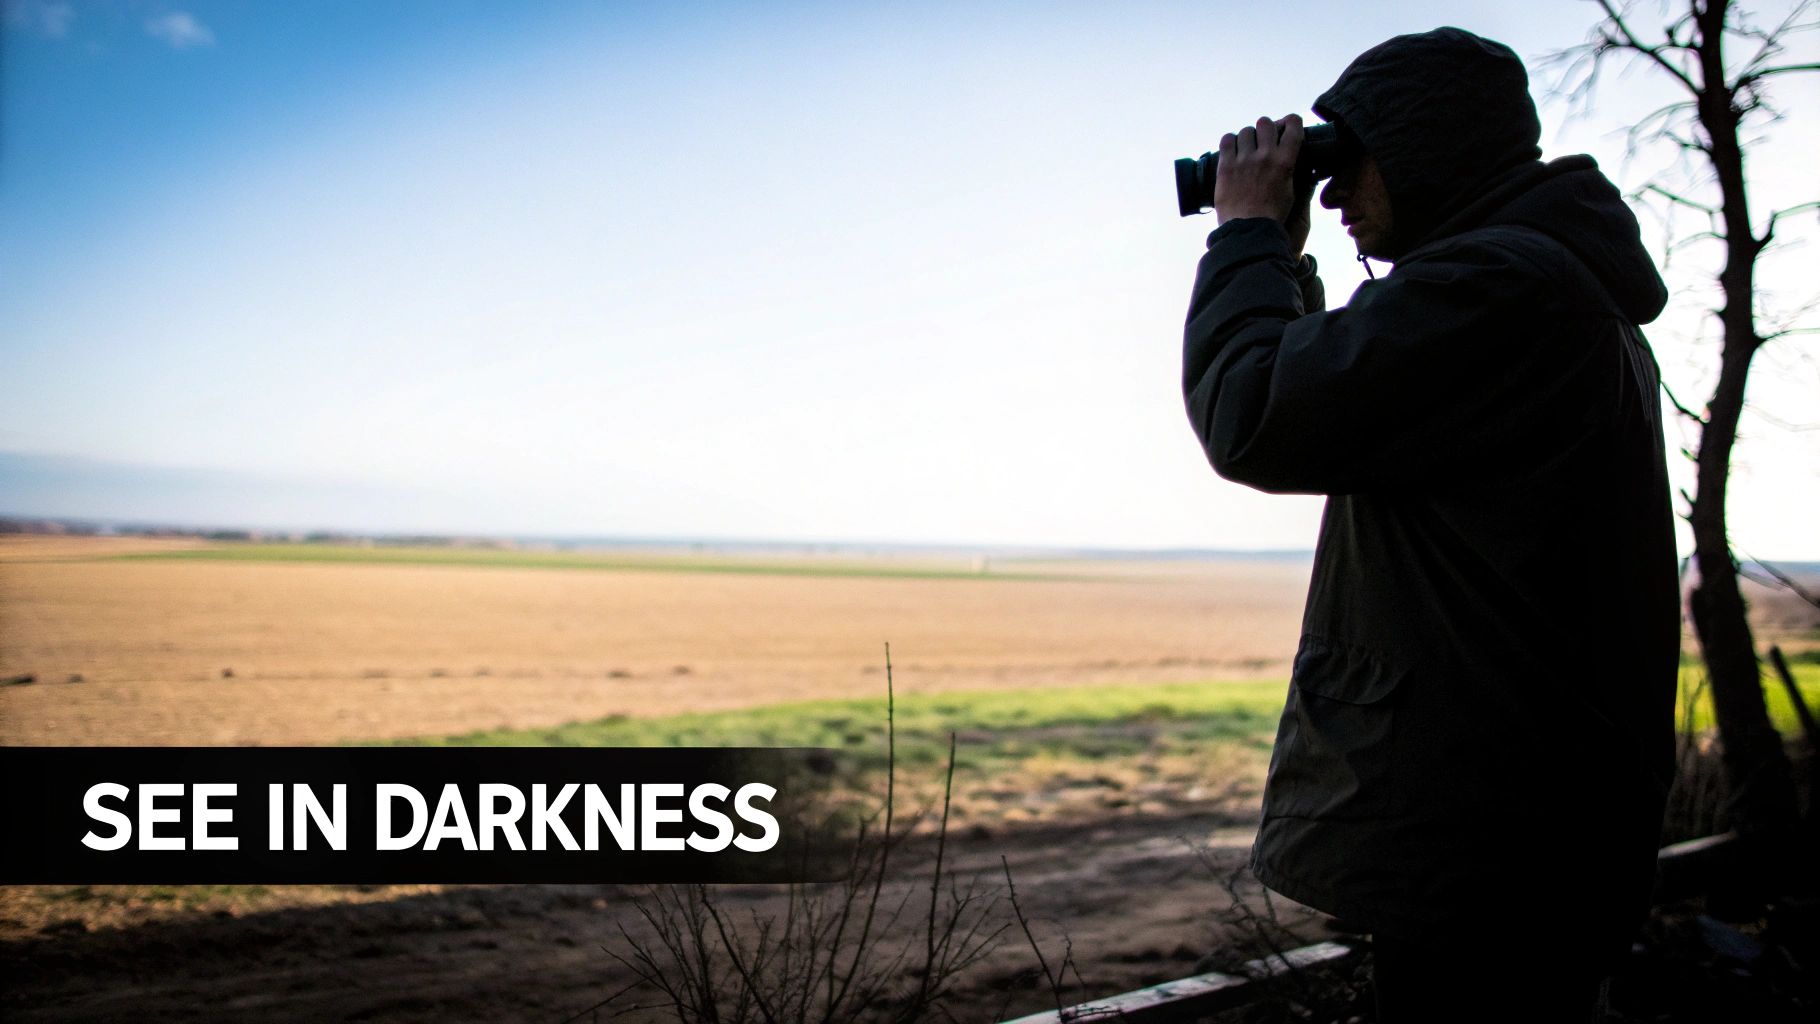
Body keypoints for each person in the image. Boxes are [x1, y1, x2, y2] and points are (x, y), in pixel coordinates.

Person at [1180, 27, 1680, 1022]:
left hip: (1489, 839)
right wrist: (1278, 262)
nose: (1328, 196)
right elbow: (1337, 398)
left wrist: (1243, 235)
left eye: (1347, 162)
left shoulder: (1501, 287)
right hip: (1521, 826)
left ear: (1424, 153)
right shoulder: (1535, 283)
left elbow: (1254, 413)